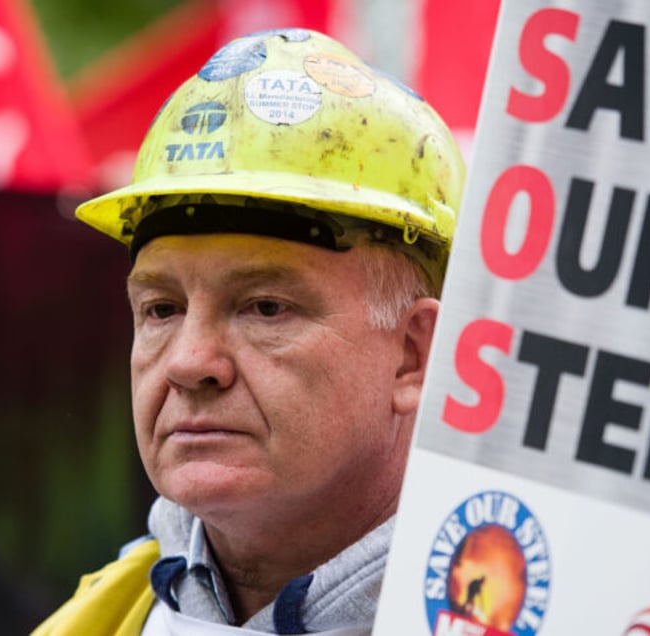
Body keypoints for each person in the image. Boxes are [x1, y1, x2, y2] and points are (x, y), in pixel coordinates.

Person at [32, 28, 464, 635]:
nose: (189, 362)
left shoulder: (574, 613)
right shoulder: (91, 624)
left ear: (413, 357)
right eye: (161, 309)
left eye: (265, 307)